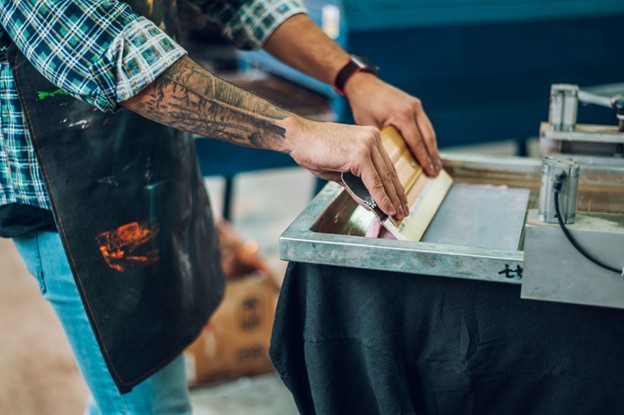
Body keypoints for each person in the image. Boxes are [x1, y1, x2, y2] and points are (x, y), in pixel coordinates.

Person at [0, 0, 441, 413]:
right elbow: (118, 54)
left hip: (154, 163)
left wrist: (351, 76)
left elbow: (241, 3)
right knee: (152, 405)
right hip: (72, 204)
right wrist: (296, 133)